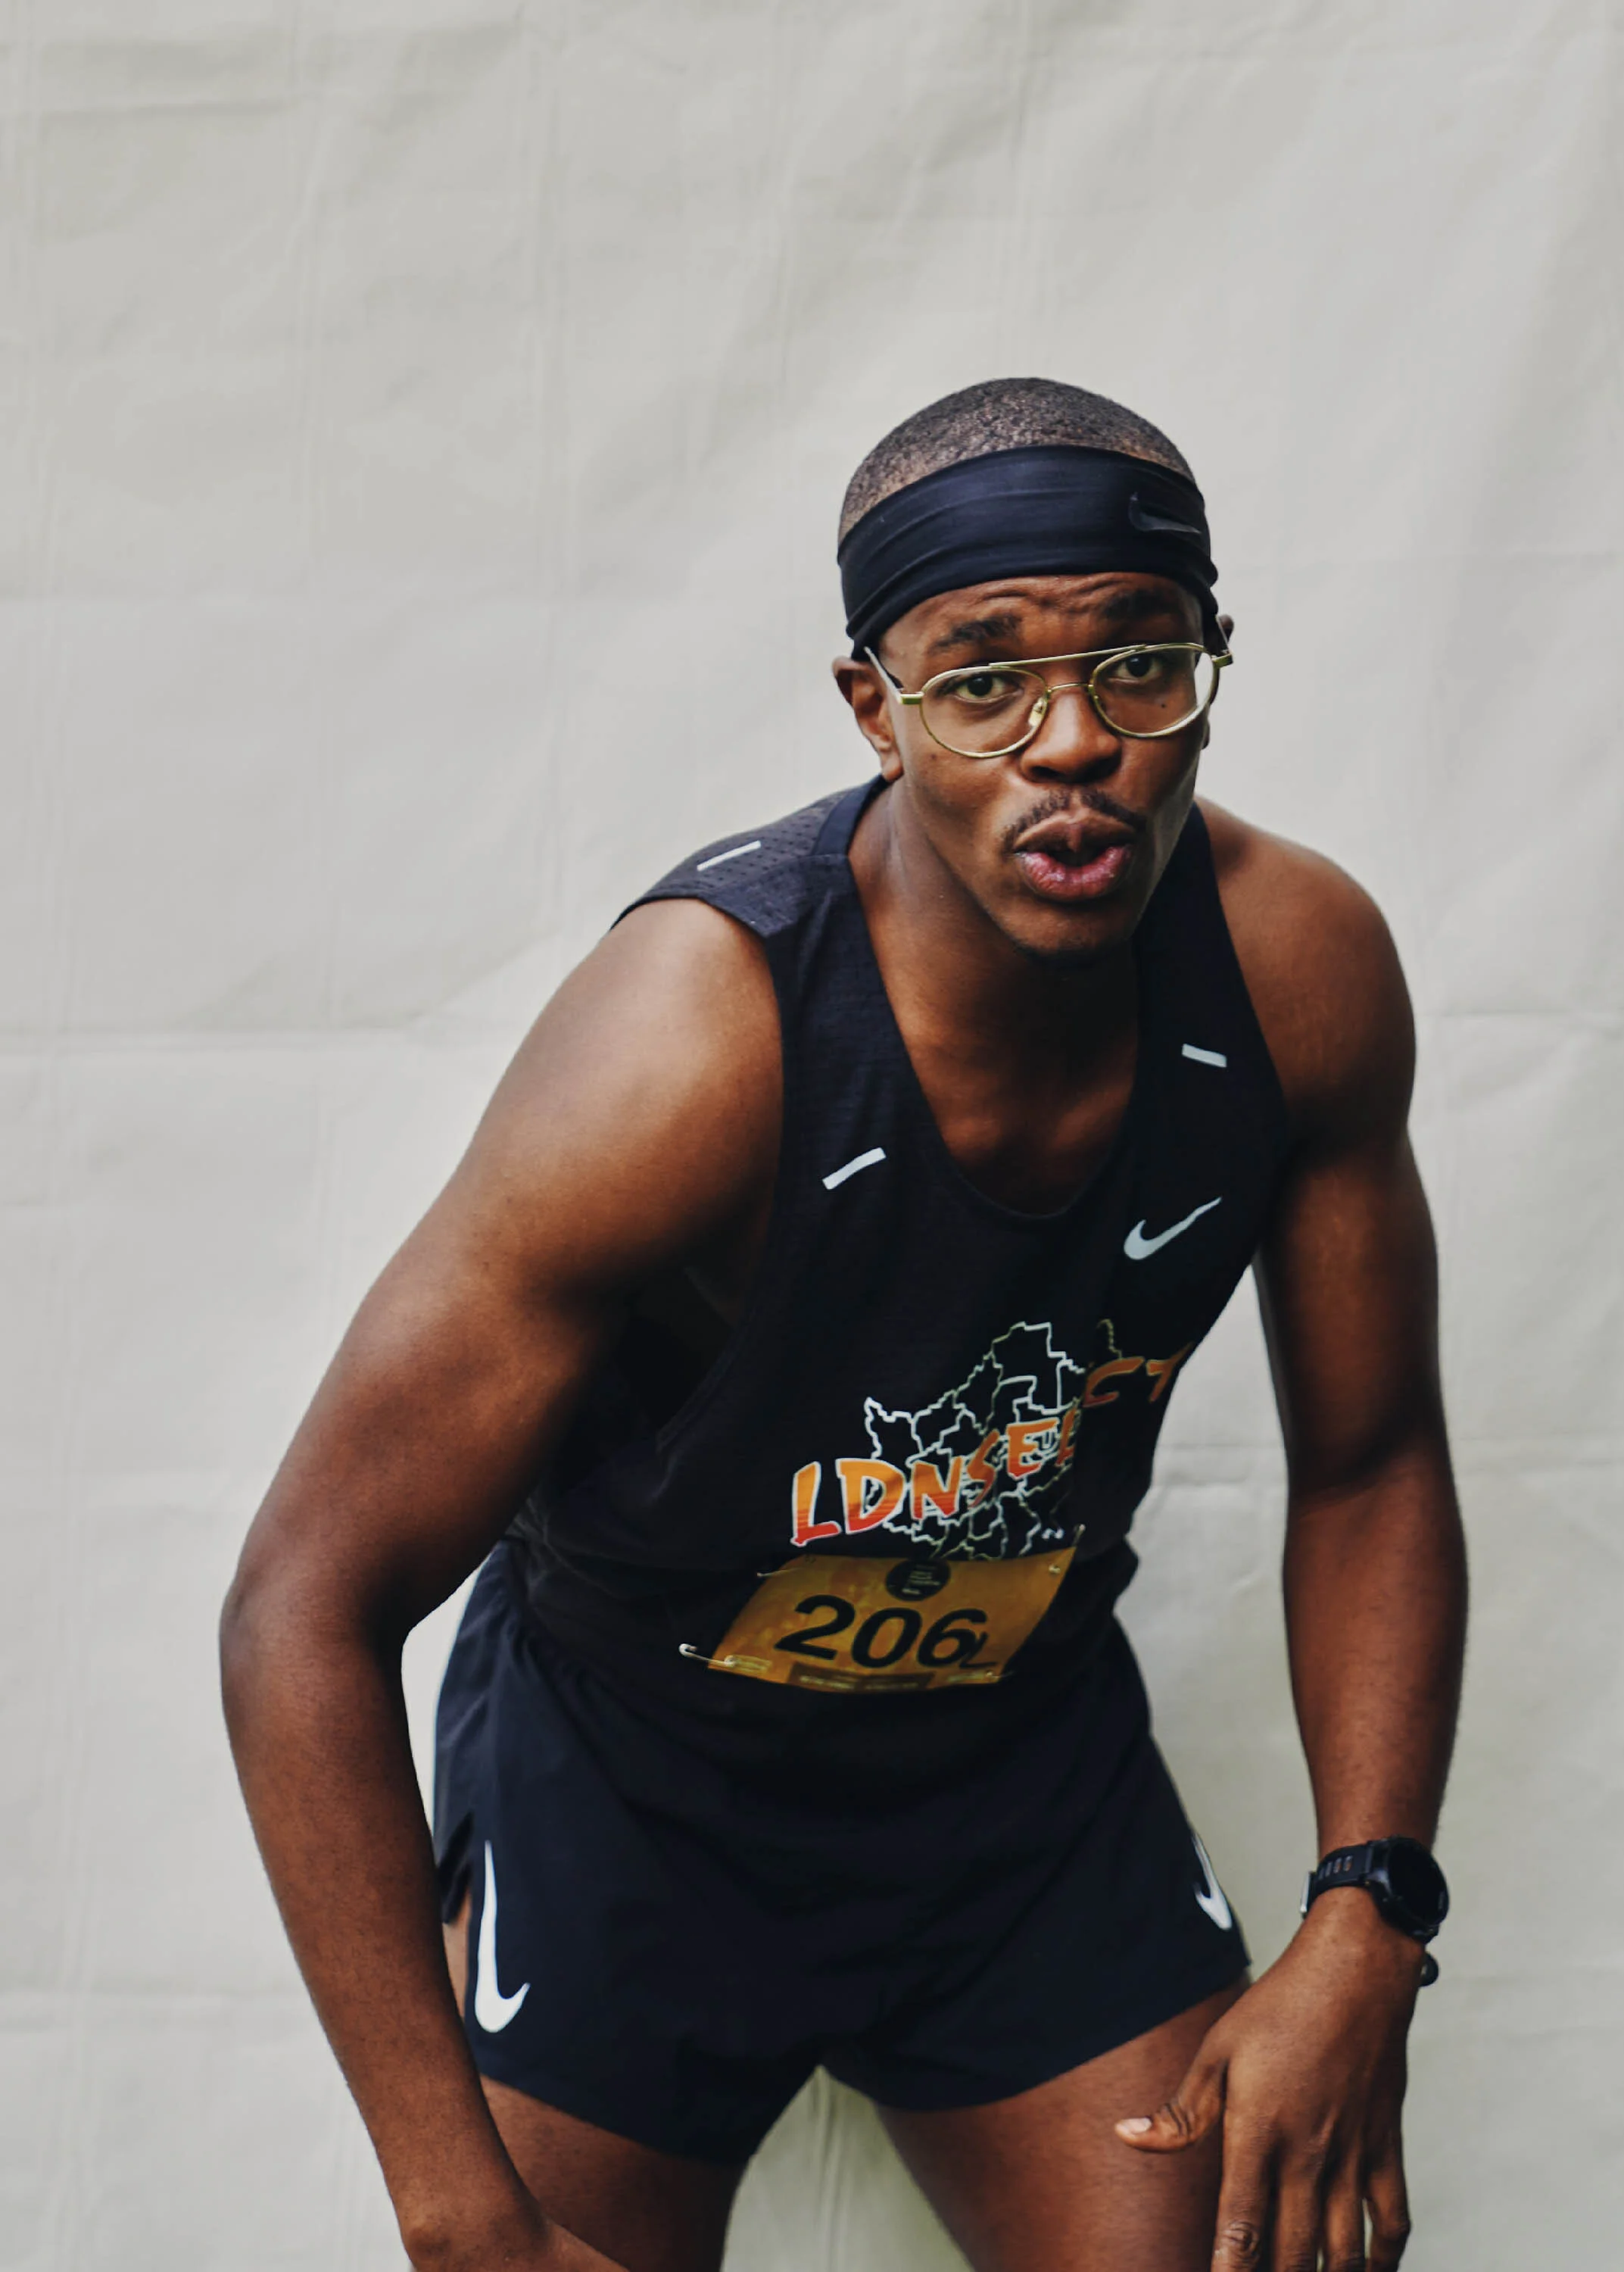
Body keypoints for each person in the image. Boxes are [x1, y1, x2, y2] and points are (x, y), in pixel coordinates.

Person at [222, 376, 1467, 2272]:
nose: (1077, 744)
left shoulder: (1297, 971)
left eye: (1141, 667)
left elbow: (1372, 1461)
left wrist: (1368, 1910)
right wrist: (458, 2212)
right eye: (982, 682)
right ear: (873, 708)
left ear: (1213, 663)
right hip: (636, 1787)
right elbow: (300, 1606)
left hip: (1011, 1792)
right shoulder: (690, 1045)